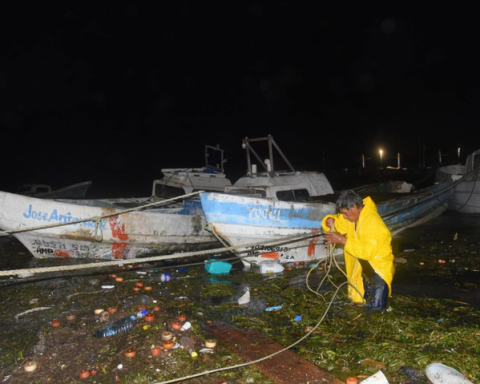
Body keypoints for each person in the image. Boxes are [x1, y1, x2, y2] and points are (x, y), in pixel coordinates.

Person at [321, 189, 395, 310]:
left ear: (355, 207)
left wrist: (343, 241)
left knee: (376, 310)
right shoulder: (353, 218)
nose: (344, 217)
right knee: (362, 303)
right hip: (363, 269)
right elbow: (338, 223)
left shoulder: (372, 222)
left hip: (377, 270)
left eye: (345, 213)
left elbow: (367, 252)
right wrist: (330, 221)